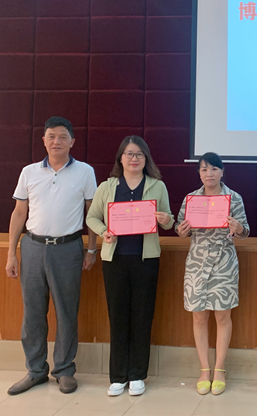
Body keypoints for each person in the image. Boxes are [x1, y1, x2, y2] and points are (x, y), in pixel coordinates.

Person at [5, 116, 98, 396]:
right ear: (43, 140)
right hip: (33, 247)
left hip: (68, 248)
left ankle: (64, 370)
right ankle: (35, 370)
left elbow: (92, 213)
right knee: (33, 312)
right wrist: (11, 253)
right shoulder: (29, 172)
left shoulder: (85, 172)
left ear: (72, 141)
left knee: (67, 312)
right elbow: (19, 213)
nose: (56, 141)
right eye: (51, 136)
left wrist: (91, 249)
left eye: (62, 137)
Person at [86, 136, 174, 397]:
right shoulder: (107, 186)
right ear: (120, 158)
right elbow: (92, 217)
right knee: (118, 317)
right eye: (129, 154)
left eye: (139, 154)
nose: (134, 159)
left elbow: (169, 221)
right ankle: (117, 377)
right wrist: (104, 232)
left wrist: (165, 219)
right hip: (115, 261)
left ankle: (137, 375)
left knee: (142, 316)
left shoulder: (157, 186)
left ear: (146, 159)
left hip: (146, 260)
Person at [175, 152, 250, 396]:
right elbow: (180, 228)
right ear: (199, 173)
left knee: (222, 316)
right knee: (198, 317)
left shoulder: (234, 198)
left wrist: (238, 228)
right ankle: (204, 370)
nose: (210, 174)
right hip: (197, 263)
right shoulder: (191, 199)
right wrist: (182, 230)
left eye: (214, 169)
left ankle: (219, 369)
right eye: (205, 169)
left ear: (222, 172)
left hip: (223, 263)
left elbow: (245, 232)